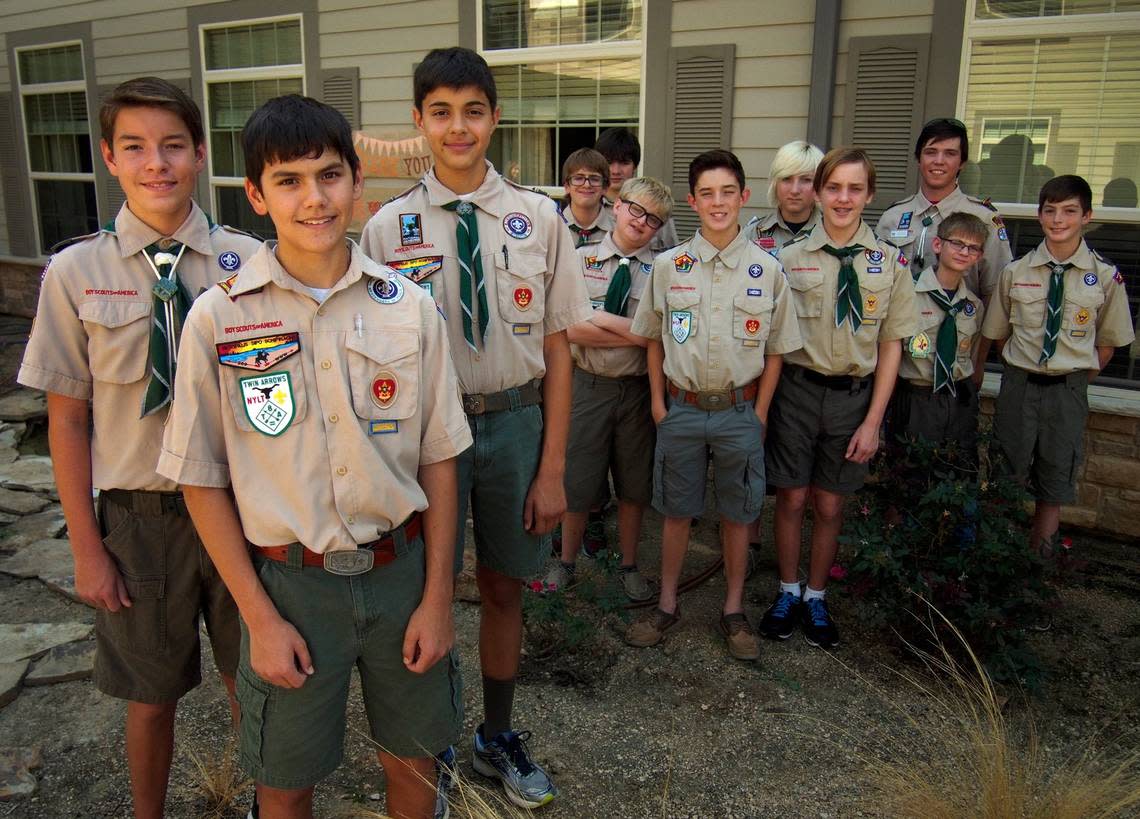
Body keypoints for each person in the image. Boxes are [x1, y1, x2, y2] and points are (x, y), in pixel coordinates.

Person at [157, 95, 471, 819]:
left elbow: (441, 458)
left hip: (401, 577)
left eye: (329, 175)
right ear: (256, 196)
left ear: (357, 182)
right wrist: (258, 618)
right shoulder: (220, 315)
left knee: (414, 760)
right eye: (289, 180)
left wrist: (436, 597)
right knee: (285, 779)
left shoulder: (407, 305)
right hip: (290, 586)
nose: (314, 198)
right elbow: (200, 480)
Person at [16, 77, 261, 819]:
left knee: (250, 678)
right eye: (136, 147)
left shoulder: (246, 262)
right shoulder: (75, 273)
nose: (157, 163)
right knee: (149, 696)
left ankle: (266, 800)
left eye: (173, 146)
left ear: (197, 154)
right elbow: (67, 420)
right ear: (110, 158)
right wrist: (87, 547)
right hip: (137, 519)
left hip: (242, 510)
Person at [360, 47, 591, 811]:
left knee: (501, 586)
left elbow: (557, 344)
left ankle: (496, 731)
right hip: (424, 438)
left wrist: (553, 465)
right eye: (439, 111)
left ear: (494, 118)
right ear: (419, 121)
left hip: (514, 424)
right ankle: (430, 742)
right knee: (420, 593)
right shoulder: (388, 229)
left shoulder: (539, 217)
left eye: (472, 110)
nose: (457, 127)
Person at [624, 150, 802, 661]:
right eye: (707, 193)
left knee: (738, 514)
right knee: (676, 511)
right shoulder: (668, 265)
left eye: (728, 192)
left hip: (740, 412)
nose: (718, 202)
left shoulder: (766, 270)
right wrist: (659, 405)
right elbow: (654, 338)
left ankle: (733, 609)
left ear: (744, 198)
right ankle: (666, 603)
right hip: (680, 410)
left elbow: (774, 351)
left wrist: (761, 413)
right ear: (692, 201)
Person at [762, 147, 918, 649]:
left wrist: (874, 421)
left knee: (830, 505)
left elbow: (892, 346)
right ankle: (787, 590)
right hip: (797, 393)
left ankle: (816, 596)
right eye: (833, 187)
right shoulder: (788, 259)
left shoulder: (889, 263)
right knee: (791, 497)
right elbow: (772, 343)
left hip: (854, 398)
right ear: (818, 192)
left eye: (855, 188)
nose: (843, 198)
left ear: (869, 195)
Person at [978, 175, 1134, 555]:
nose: (1058, 220)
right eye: (1050, 211)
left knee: (1053, 484)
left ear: (1087, 216)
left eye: (1069, 211)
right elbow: (1000, 336)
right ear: (1039, 215)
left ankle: (1037, 568)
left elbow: (1107, 344)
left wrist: (1070, 374)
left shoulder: (1106, 277)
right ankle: (997, 565)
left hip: (1068, 391)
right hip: (1019, 388)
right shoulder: (1016, 272)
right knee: (1006, 478)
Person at [544, 176, 675, 601]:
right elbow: (571, 328)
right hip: (587, 386)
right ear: (616, 205)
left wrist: (600, 319)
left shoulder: (664, 271)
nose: (642, 221)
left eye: (653, 219)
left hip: (637, 390)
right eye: (635, 209)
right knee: (577, 480)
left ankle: (630, 565)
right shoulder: (578, 260)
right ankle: (565, 562)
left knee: (635, 485)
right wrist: (639, 331)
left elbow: (665, 336)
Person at [876, 118, 1012, 299]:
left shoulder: (984, 219)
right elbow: (876, 281)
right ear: (919, 159)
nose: (939, 161)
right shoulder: (893, 217)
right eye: (931, 152)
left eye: (949, 153)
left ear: (962, 163)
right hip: (901, 324)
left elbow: (996, 292)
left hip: (959, 324)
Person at [892, 212, 988, 457]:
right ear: (938, 244)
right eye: (957, 243)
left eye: (973, 248)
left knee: (957, 470)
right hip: (915, 397)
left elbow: (972, 353)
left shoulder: (973, 306)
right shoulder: (906, 294)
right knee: (910, 471)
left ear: (980, 256)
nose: (964, 252)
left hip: (958, 399)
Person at [596, 127, 680, 251]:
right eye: (609, 162)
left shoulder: (656, 208)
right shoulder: (587, 208)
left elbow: (672, 256)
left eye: (624, 163)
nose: (615, 171)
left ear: (635, 166)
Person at [748, 140, 824, 255]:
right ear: (775, 183)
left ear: (819, 185)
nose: (795, 190)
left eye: (806, 180)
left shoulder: (832, 234)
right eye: (786, 179)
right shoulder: (752, 234)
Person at [559, 147, 613, 247]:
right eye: (579, 178)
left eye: (595, 179)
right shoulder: (552, 228)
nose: (587, 185)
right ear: (567, 186)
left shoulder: (618, 231)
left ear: (605, 187)